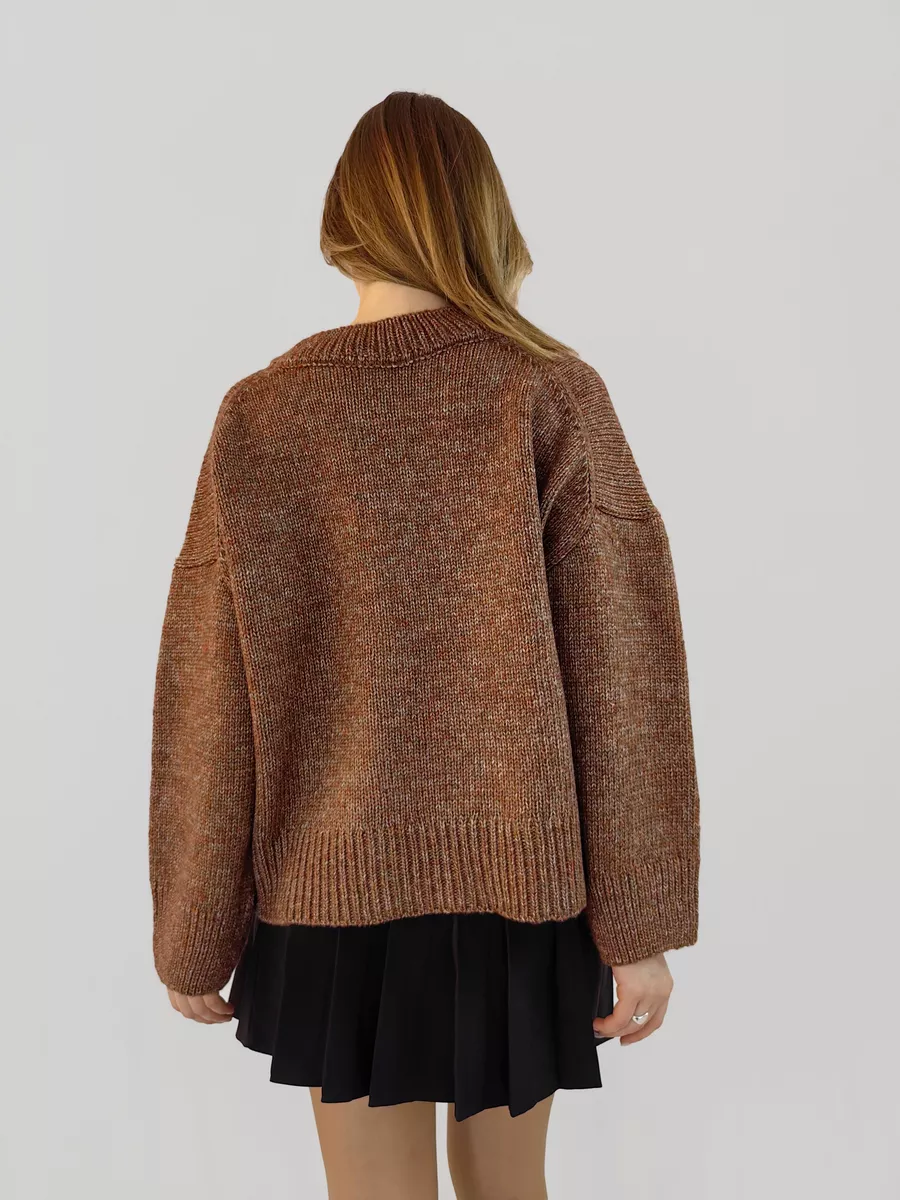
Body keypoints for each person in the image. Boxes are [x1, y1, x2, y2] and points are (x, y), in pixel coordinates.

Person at [148, 90, 701, 1200]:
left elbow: (211, 693)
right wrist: (639, 922)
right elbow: (622, 675)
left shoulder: (262, 416)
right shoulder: (548, 391)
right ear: (482, 217)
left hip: (328, 896)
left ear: (343, 222)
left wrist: (194, 925)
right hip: (519, 894)